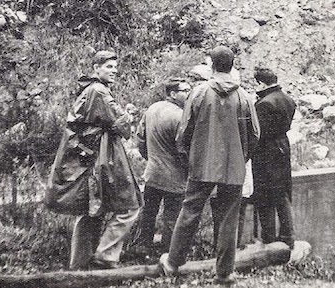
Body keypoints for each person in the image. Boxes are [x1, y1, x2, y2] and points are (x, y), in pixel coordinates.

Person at [159, 46, 260, 285]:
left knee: (190, 211)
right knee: (228, 218)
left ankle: (173, 263)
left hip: (202, 164)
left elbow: (183, 133)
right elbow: (255, 134)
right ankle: (225, 272)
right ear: (232, 65)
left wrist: (189, 159)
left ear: (211, 65)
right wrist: (241, 157)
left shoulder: (199, 92)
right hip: (233, 167)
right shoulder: (244, 97)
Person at [46, 49, 142, 270]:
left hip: (93, 157)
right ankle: (106, 254)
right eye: (108, 67)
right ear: (96, 68)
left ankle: (79, 265)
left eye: (115, 67)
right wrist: (129, 114)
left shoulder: (91, 89)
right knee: (129, 204)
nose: (114, 71)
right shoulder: (99, 91)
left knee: (91, 209)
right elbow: (120, 124)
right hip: (103, 156)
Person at [132, 78, 191, 257]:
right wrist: (188, 169)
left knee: (148, 212)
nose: (189, 93)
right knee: (172, 215)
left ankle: (142, 246)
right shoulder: (181, 117)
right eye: (185, 90)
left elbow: (140, 139)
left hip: (152, 173)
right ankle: (170, 252)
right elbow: (184, 150)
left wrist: (150, 158)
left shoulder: (152, 109)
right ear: (173, 94)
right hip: (174, 177)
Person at [251, 67, 296, 249]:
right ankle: (288, 236)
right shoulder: (288, 100)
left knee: (264, 197)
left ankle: (268, 238)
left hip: (265, 153)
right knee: (282, 195)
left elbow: (258, 134)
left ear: (261, 83)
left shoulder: (263, 104)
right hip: (283, 148)